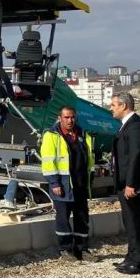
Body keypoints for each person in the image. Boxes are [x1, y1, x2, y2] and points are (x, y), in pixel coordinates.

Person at [110, 92, 140, 275]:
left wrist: (131, 184)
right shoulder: (127, 125)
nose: (111, 108)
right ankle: (131, 257)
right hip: (125, 182)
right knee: (129, 221)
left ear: (123, 106)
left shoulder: (136, 126)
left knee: (135, 221)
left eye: (114, 105)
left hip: (131, 184)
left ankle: (138, 262)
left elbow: (136, 157)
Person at [40, 105, 94, 261]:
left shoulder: (82, 134)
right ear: (59, 118)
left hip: (80, 184)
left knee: (82, 217)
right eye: (66, 117)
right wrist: (54, 183)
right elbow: (48, 163)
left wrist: (90, 179)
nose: (70, 120)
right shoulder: (51, 136)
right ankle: (65, 249)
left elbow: (89, 159)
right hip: (62, 185)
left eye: (72, 117)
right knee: (63, 218)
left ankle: (82, 249)